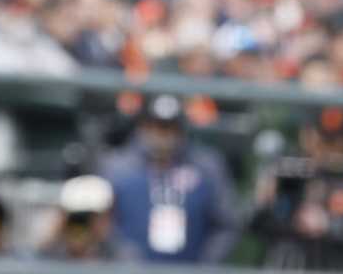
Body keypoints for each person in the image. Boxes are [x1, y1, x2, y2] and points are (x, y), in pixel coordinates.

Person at [100, 94, 239, 264]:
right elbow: (104, 223)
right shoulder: (117, 167)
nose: (162, 135)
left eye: (170, 127)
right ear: (143, 127)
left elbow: (226, 223)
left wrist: (204, 266)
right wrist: (127, 260)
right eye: (156, 126)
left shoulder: (206, 166)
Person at [256, 108, 343, 272]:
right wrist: (265, 203)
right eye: (324, 140)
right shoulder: (287, 168)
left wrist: (328, 224)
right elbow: (252, 224)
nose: (331, 147)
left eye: (338, 139)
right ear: (307, 136)